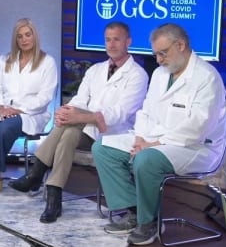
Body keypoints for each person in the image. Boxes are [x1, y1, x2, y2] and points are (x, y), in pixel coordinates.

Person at [92, 23, 226, 246]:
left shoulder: (207, 77)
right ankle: (135, 211)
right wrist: (140, 138)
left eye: (163, 53)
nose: (159, 60)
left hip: (194, 147)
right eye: (156, 54)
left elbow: (197, 127)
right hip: (153, 140)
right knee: (102, 148)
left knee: (146, 160)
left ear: (180, 45)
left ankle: (148, 223)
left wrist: (154, 143)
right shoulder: (159, 74)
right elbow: (145, 111)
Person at [9, 22, 149, 223]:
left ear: (128, 42)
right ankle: (52, 193)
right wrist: (66, 111)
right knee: (69, 132)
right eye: (107, 40)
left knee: (70, 130)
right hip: (86, 131)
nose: (111, 44)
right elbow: (80, 100)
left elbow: (120, 113)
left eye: (116, 40)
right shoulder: (95, 70)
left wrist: (80, 117)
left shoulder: (137, 75)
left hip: (113, 133)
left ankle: (37, 175)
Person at [0, 18, 58, 194]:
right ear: (15, 39)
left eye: (28, 35)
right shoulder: (4, 60)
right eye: (20, 36)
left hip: (31, 114)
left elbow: (45, 97)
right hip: (2, 109)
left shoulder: (47, 62)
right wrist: (0, 108)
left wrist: (19, 109)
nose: (24, 39)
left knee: (4, 129)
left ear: (34, 36)